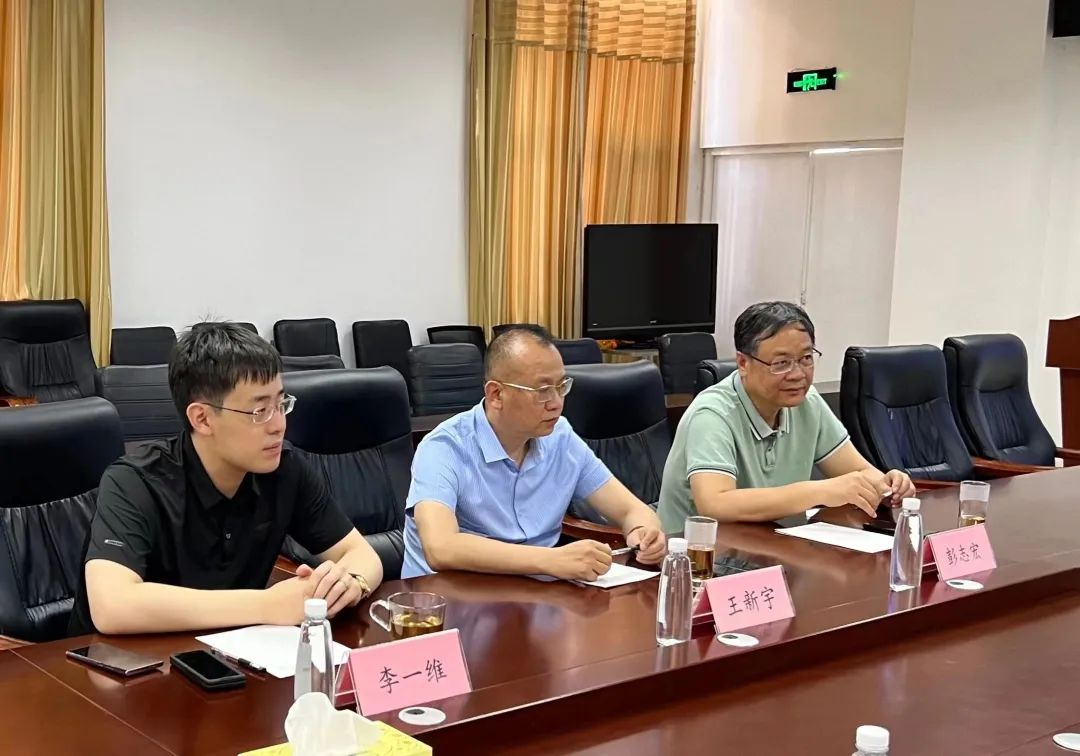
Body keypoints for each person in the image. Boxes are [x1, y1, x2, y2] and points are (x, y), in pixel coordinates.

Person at [69, 322, 384, 635]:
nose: (279, 425)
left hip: (233, 651)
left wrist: (349, 583)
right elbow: (112, 606)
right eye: (260, 411)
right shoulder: (134, 482)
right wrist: (266, 605)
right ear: (202, 418)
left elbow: (362, 555)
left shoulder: (284, 469)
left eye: (281, 404)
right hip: (116, 660)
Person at [402, 326, 666, 581]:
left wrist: (644, 531)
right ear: (496, 394)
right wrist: (552, 560)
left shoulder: (560, 437)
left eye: (561, 386)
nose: (556, 403)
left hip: (537, 595)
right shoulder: (444, 447)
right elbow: (441, 547)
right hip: (452, 598)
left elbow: (630, 510)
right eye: (542, 391)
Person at [657, 302, 916, 530]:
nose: (798, 374)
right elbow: (716, 504)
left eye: (806, 358)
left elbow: (858, 472)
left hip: (771, 545)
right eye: (781, 363)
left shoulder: (808, 402)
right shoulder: (712, 414)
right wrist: (821, 491)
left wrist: (888, 484)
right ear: (743, 363)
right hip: (697, 557)